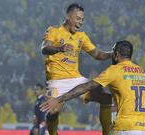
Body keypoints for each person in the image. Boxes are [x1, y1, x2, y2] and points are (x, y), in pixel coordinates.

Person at [41, 40, 145, 135]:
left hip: (126, 126)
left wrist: (59, 99)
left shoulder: (115, 70)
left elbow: (86, 87)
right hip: (144, 127)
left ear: (116, 54)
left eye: (113, 53)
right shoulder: (141, 72)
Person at [41, 2, 113, 135]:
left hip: (76, 79)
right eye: (78, 18)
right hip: (57, 81)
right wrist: (59, 48)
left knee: (105, 97)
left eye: (82, 20)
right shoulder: (54, 30)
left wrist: (112, 54)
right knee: (52, 112)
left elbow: (97, 54)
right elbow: (44, 48)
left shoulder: (81, 36)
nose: (80, 22)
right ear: (68, 16)